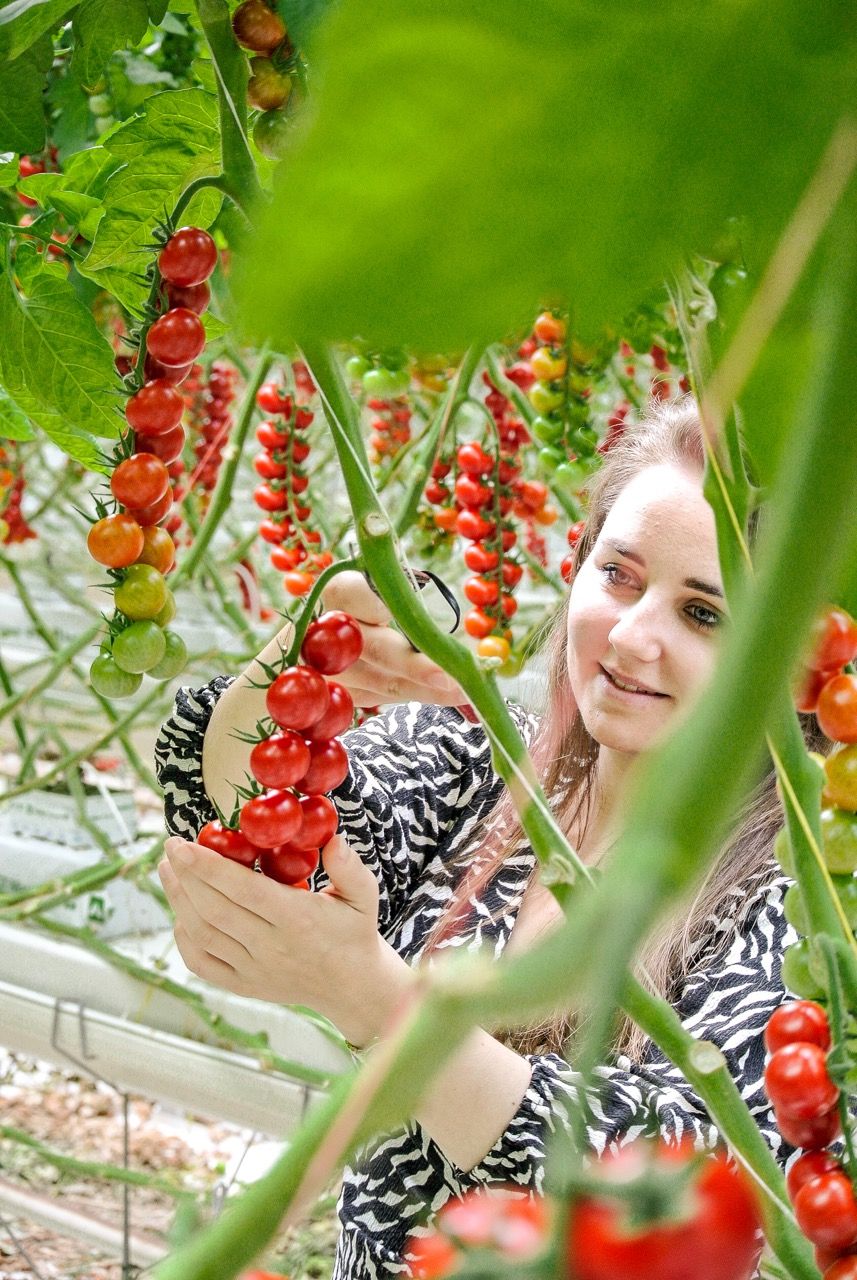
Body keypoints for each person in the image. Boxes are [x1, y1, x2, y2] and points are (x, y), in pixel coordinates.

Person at [155, 396, 820, 1278]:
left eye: (704, 614)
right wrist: (298, 666)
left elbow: (690, 1179)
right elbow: (276, 829)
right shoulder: (492, 759)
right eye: (617, 574)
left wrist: (369, 996)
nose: (630, 635)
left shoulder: (808, 893)